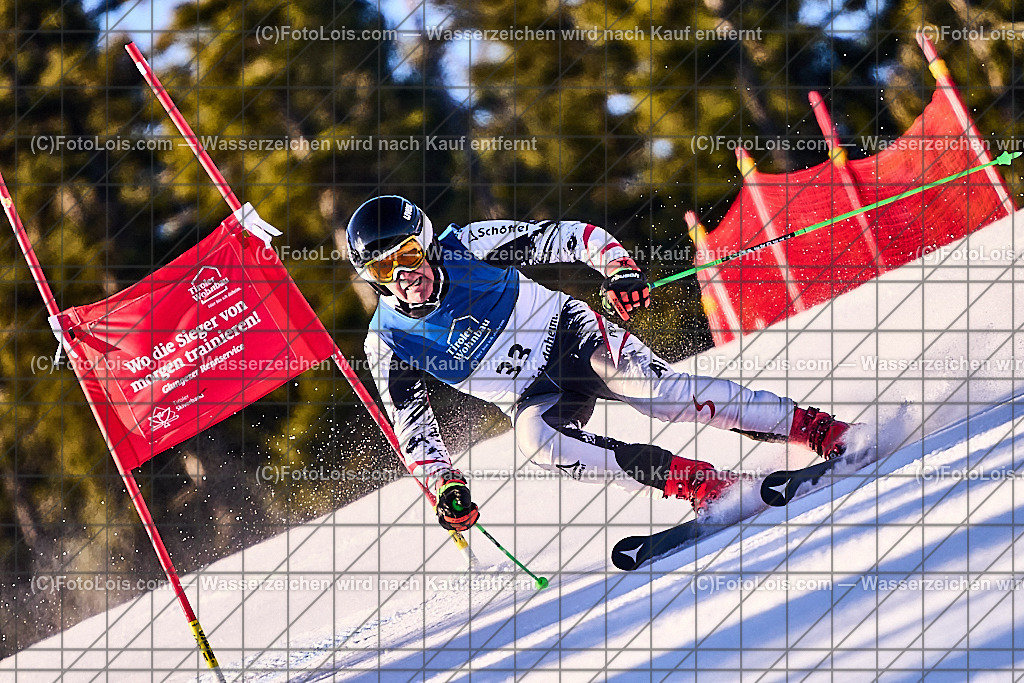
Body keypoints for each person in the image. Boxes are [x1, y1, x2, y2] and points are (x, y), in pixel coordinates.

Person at [346, 196, 852, 533]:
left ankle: (815, 429)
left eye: (409, 254)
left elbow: (567, 236)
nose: (405, 274)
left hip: (571, 337)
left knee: (657, 393)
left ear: (428, 243)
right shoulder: (388, 341)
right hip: (533, 397)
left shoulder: (468, 246)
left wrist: (617, 268)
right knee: (537, 443)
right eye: (384, 268)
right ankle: (703, 484)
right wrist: (444, 484)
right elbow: (411, 425)